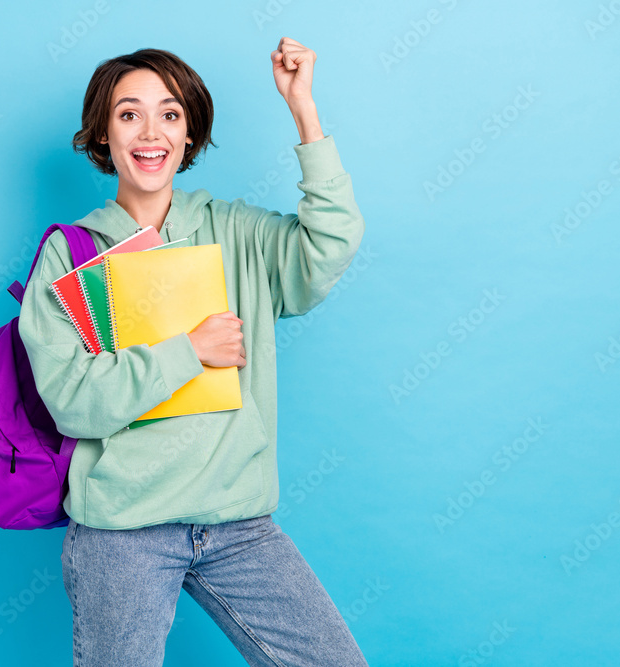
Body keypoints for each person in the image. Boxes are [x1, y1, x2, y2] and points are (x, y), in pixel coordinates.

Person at [19, 37, 368, 667]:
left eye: (170, 113)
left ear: (188, 135)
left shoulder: (240, 232)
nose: (150, 131)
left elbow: (332, 241)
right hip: (123, 529)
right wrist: (189, 351)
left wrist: (303, 109)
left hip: (238, 524)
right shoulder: (71, 258)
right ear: (102, 135)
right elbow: (75, 405)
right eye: (129, 113)